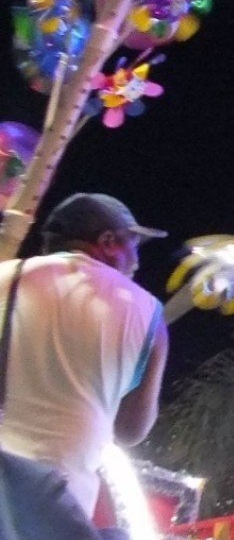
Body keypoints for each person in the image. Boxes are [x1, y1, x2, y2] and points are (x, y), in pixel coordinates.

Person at [0, 193, 169, 519]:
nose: (136, 261)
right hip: (61, 514)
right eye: (132, 246)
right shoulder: (150, 314)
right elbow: (131, 431)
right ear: (107, 241)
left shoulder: (9, 277)